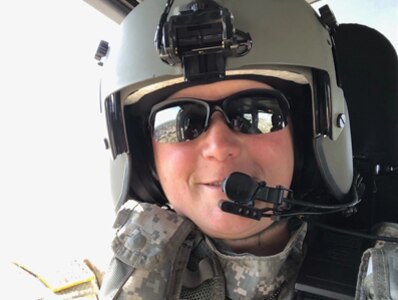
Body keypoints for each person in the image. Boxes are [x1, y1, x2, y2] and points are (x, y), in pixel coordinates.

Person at [95, 0, 397, 299]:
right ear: (146, 157)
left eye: (256, 116)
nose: (218, 147)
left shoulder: (382, 277)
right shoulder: (133, 272)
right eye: (181, 122)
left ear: (305, 138)